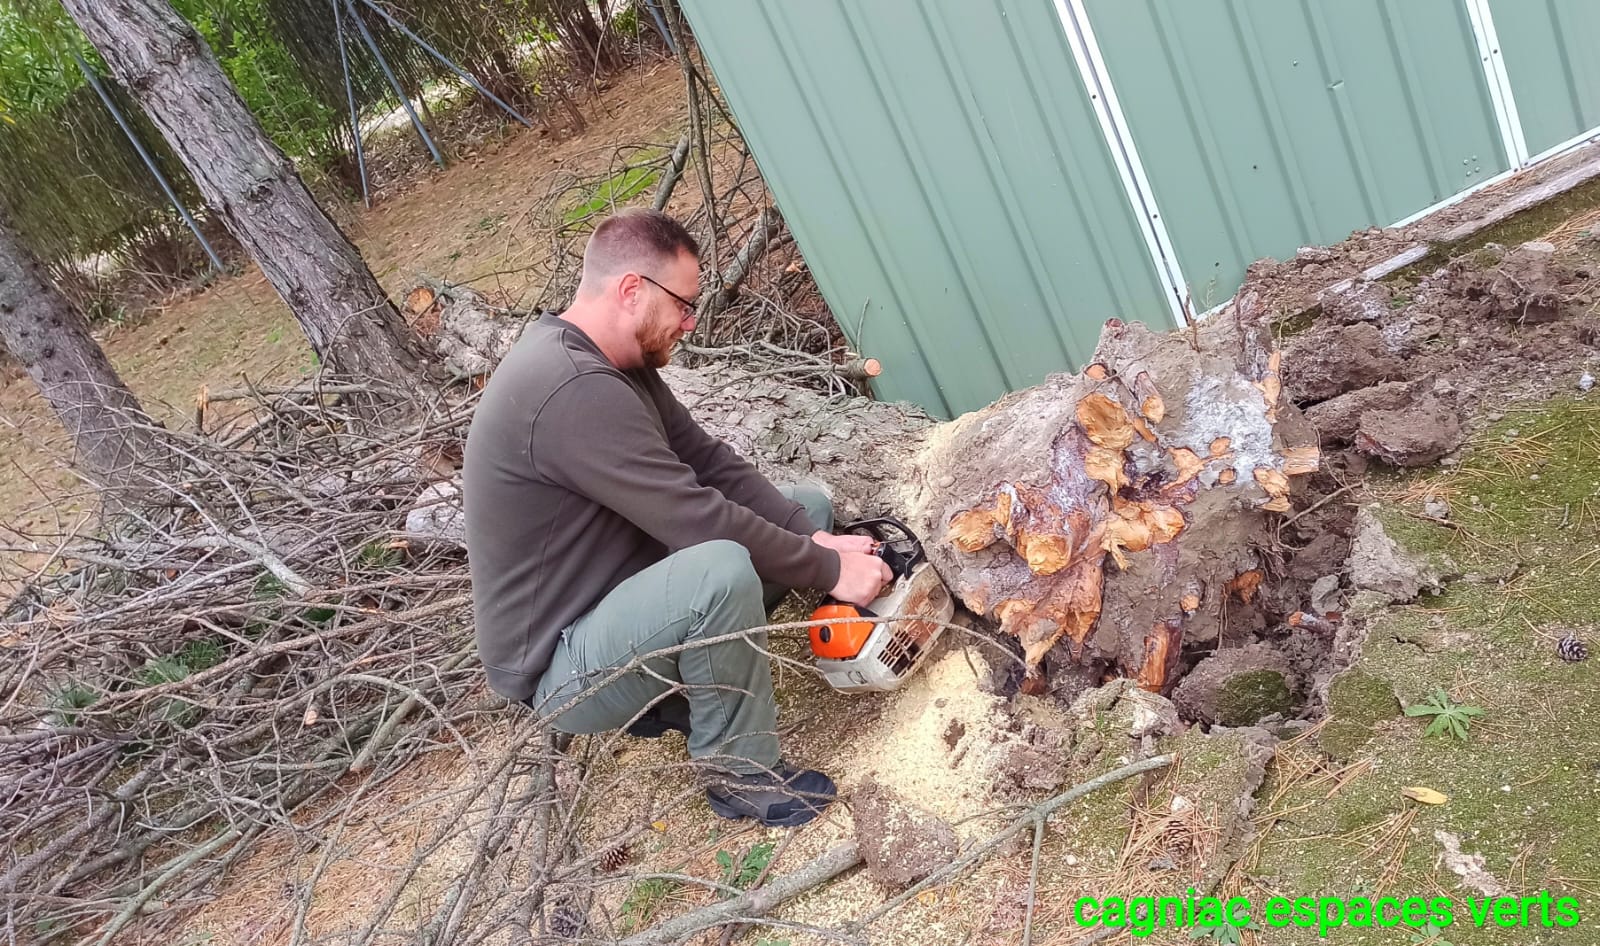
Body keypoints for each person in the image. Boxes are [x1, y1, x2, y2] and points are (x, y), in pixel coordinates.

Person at [463, 209, 892, 827]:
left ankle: (686, 684)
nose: (691, 322)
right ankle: (738, 773)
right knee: (719, 568)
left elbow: (706, 462)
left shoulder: (615, 362)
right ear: (631, 289)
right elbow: (697, 520)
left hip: (616, 594)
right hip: (564, 669)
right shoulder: (571, 390)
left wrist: (811, 537)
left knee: (807, 507)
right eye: (684, 304)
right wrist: (829, 569)